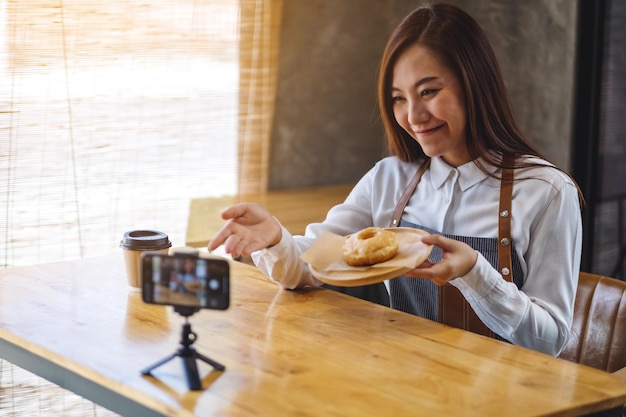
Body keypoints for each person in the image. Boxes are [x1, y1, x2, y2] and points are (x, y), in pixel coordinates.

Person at [208, 2, 583, 356]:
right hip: (406, 383)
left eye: (429, 91)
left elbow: (549, 341)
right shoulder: (389, 178)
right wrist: (275, 238)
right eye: (399, 98)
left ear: (474, 83)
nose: (414, 115)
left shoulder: (546, 192)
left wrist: (475, 273)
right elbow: (311, 267)